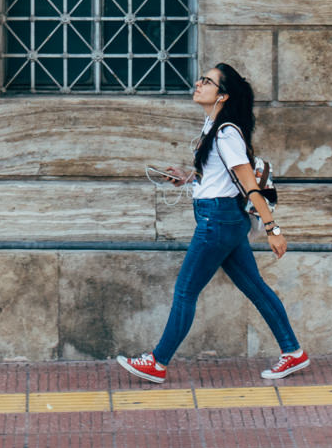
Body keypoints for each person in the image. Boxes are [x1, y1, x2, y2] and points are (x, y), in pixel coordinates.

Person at [117, 63, 310, 384]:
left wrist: (273, 229)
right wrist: (189, 178)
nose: (198, 84)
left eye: (206, 82)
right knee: (255, 287)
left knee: (185, 291)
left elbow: (249, 183)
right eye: (201, 79)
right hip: (224, 220)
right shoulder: (214, 127)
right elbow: (221, 177)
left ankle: (157, 361)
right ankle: (293, 352)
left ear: (222, 95)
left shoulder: (226, 132)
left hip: (217, 221)